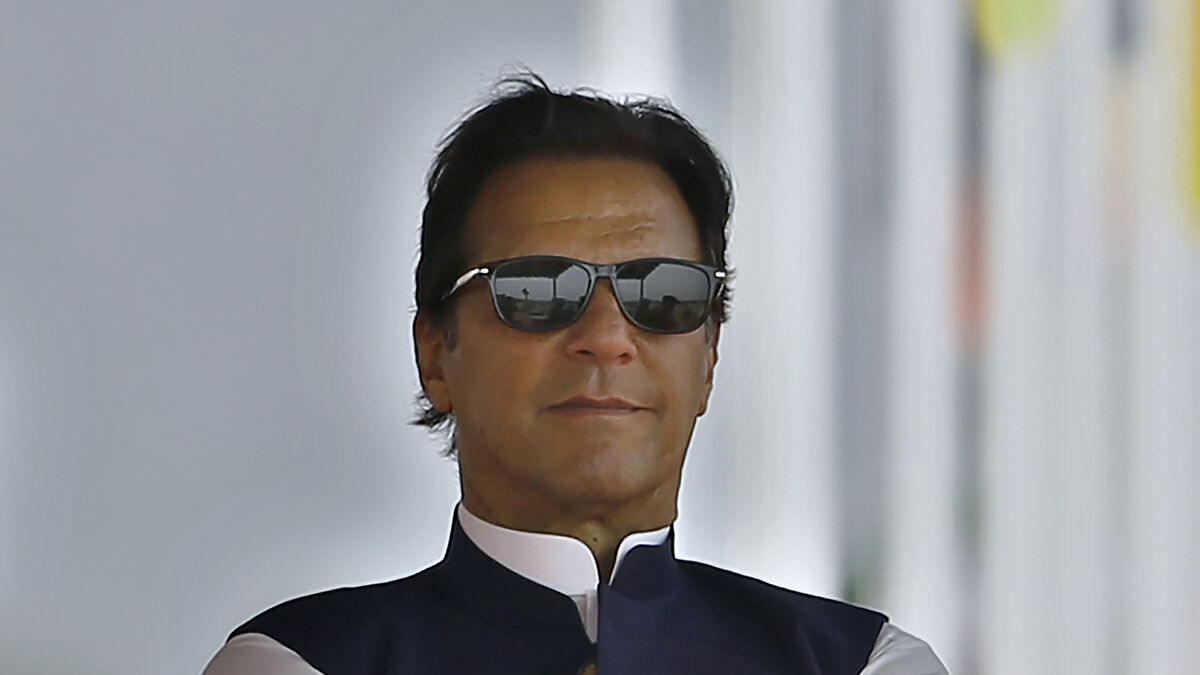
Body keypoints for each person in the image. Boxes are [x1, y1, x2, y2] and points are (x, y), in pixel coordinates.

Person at [202, 74, 948, 675]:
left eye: (662, 294)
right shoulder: (302, 661)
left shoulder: (862, 663)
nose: (607, 339)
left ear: (709, 357)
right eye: (536, 291)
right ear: (435, 354)